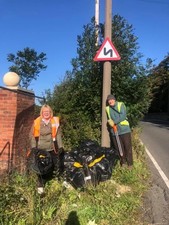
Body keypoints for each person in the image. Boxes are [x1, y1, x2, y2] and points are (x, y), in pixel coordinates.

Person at [31, 104, 63, 194]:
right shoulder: (37, 122)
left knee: (56, 165)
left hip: (52, 147)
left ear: (50, 112)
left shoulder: (55, 121)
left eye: (48, 111)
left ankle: (56, 184)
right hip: (40, 148)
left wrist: (60, 146)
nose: (46, 113)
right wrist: (33, 147)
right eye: (44, 112)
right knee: (41, 168)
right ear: (42, 112)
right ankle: (40, 187)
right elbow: (32, 136)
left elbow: (58, 135)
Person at [106, 94, 133, 168]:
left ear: (114, 100)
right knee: (118, 148)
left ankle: (130, 164)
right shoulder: (107, 108)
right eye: (109, 100)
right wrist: (109, 122)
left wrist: (114, 122)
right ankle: (123, 162)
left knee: (127, 147)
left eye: (111, 99)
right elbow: (109, 118)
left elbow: (123, 116)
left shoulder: (120, 105)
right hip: (114, 131)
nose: (110, 101)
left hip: (124, 130)